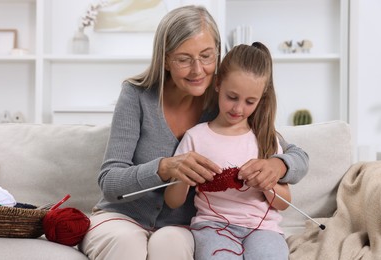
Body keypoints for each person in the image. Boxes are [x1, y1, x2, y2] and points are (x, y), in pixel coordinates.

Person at [79, 5, 308, 260]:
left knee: (170, 245)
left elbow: (295, 154)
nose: (198, 70)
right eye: (184, 59)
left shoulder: (227, 103)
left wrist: (278, 165)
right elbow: (110, 182)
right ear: (165, 58)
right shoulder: (137, 96)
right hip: (123, 218)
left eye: (207, 56)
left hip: (180, 227)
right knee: (127, 243)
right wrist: (165, 168)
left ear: (218, 54)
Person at [164, 43, 290, 259]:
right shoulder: (196, 137)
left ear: (261, 99)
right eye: (232, 97)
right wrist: (184, 176)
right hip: (212, 227)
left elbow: (285, 203)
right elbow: (172, 201)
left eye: (250, 102)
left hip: (263, 229)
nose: (238, 109)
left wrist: (267, 185)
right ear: (218, 84)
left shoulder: (265, 139)